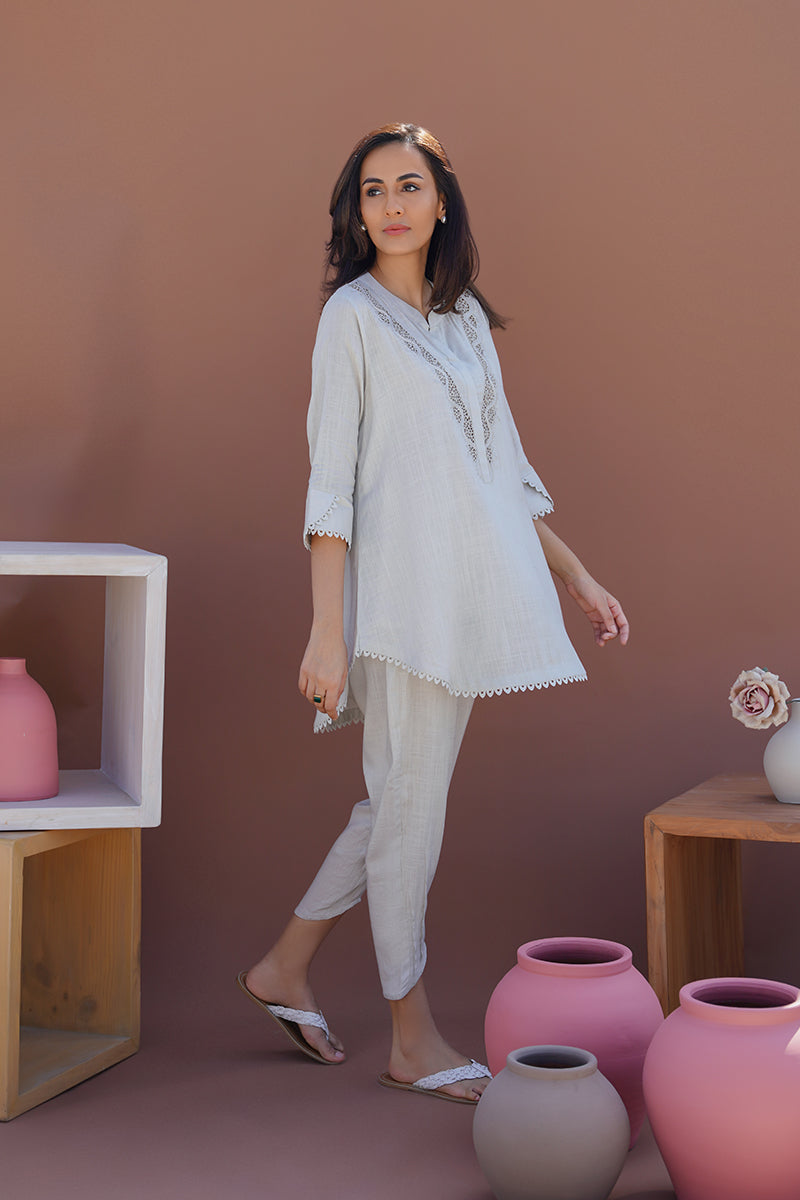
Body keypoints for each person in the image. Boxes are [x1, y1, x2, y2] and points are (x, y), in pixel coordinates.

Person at [238, 123, 629, 1104]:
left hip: (464, 600)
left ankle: (283, 967)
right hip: (399, 606)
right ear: (356, 212)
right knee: (411, 808)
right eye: (372, 191)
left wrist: (577, 577)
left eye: (408, 185)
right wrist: (326, 629)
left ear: (440, 201)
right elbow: (330, 486)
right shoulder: (350, 319)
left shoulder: (464, 323)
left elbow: (502, 472)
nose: (391, 205)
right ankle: (410, 1035)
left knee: (396, 801)